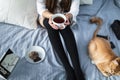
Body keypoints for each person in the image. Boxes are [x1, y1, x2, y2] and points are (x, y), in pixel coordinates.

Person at [37, 0, 85, 80]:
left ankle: (77, 69)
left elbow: (74, 10)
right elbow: (41, 9)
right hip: (47, 16)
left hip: (66, 15)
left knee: (65, 28)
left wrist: (66, 17)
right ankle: (68, 69)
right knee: (50, 26)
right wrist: (52, 18)